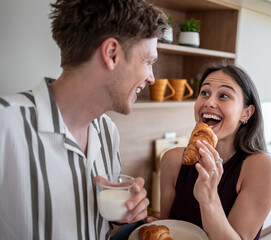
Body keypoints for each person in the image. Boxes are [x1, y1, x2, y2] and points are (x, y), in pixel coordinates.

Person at [0, 0, 167, 239]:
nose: (151, 78)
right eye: (148, 62)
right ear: (112, 54)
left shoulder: (108, 132)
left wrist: (120, 218)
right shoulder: (5, 124)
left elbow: (97, 230)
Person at [160, 63, 271, 240]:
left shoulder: (261, 167)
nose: (209, 102)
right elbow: (167, 230)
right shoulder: (172, 160)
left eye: (224, 96)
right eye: (204, 93)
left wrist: (208, 198)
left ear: (246, 113)